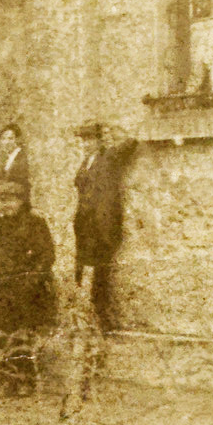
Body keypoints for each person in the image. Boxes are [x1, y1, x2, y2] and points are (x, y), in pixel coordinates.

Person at [0, 181, 55, 396]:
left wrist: (32, 281)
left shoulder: (35, 224)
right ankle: (8, 379)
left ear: (21, 201)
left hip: (27, 291)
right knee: (4, 335)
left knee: (23, 336)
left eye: (9, 200)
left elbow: (46, 256)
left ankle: (24, 380)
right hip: (1, 291)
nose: (4, 205)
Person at [72, 119, 140, 330]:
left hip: (102, 225)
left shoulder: (108, 157)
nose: (85, 144)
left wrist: (112, 131)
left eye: (90, 140)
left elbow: (131, 142)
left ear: (100, 141)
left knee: (101, 272)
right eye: (82, 141)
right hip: (86, 225)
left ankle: (103, 318)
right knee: (87, 270)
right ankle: (92, 315)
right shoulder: (87, 162)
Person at [0, 123, 31, 194]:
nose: (6, 142)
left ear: (17, 140)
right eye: (3, 138)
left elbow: (23, 185)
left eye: (10, 138)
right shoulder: (7, 159)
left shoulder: (23, 158)